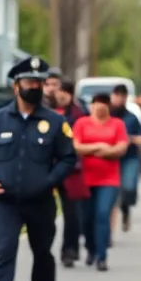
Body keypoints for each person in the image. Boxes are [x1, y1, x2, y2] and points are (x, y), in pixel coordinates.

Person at [0, 56, 76, 281]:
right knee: (5, 251)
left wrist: (48, 182)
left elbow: (69, 159)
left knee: (42, 254)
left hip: (41, 202)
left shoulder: (55, 122)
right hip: (6, 202)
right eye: (29, 82)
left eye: (39, 83)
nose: (35, 86)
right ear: (16, 86)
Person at [72, 93, 129, 271]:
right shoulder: (82, 123)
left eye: (104, 104)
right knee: (87, 218)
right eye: (96, 103)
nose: (100, 107)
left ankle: (102, 255)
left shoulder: (117, 124)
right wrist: (99, 147)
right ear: (92, 106)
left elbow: (121, 148)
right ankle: (91, 248)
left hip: (109, 179)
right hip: (86, 178)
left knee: (103, 214)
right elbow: (76, 146)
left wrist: (103, 152)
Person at [47, 76, 89, 267]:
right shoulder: (45, 111)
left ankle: (70, 250)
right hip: (47, 167)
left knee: (72, 213)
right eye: (59, 92)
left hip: (71, 169)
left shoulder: (79, 114)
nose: (61, 96)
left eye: (65, 92)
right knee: (46, 211)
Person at [110, 84, 141, 233]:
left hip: (129, 157)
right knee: (112, 191)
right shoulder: (108, 116)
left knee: (128, 188)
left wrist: (128, 139)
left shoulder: (132, 118)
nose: (119, 98)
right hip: (111, 157)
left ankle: (125, 210)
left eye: (122, 96)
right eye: (116, 95)